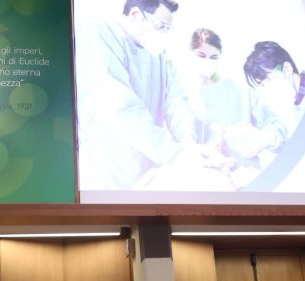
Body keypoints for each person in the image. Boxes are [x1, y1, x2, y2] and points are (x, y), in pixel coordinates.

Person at [75, 0, 231, 191]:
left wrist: (188, 144)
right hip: (105, 171)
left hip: (144, 171)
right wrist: (176, 155)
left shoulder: (156, 54)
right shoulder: (96, 34)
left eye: (168, 29)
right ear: (135, 15)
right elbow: (120, 107)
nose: (165, 34)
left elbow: (176, 102)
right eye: (161, 26)